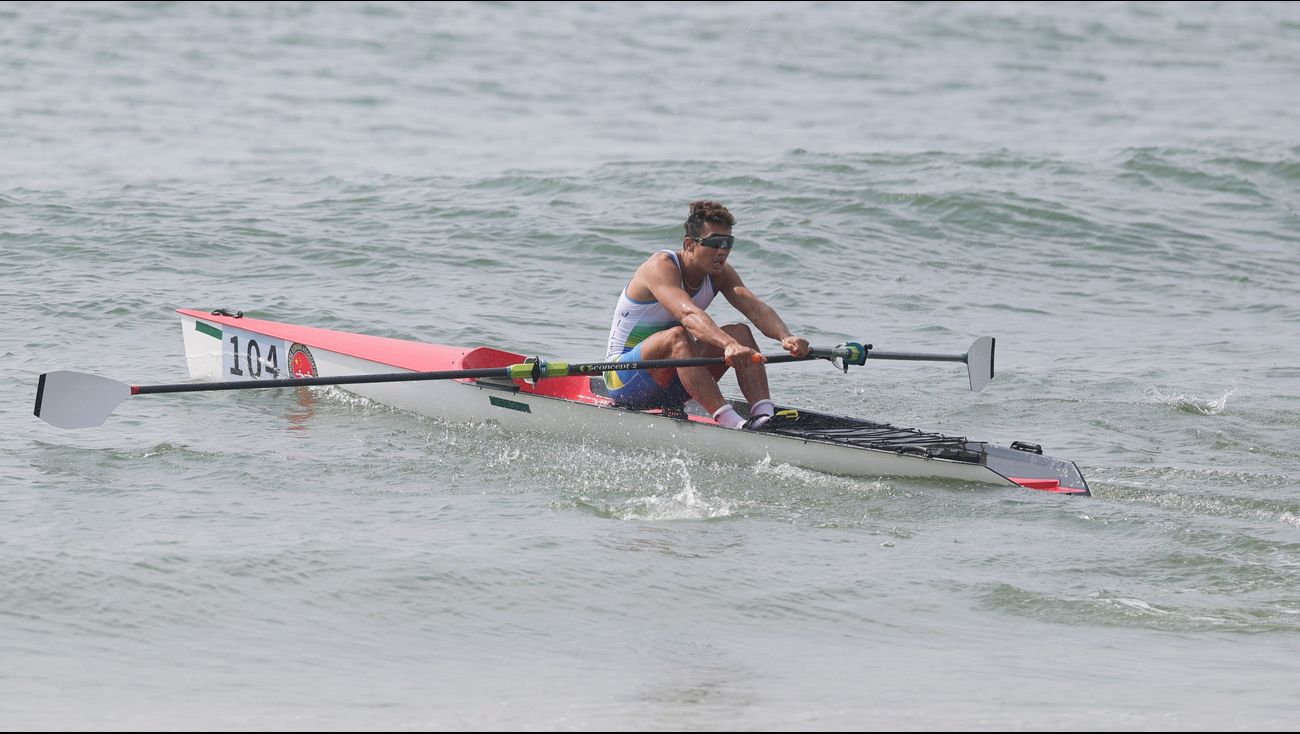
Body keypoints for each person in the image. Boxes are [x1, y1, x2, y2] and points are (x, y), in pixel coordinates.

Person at [603, 200, 810, 429]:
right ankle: (732, 424)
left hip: (677, 383)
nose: (722, 250)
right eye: (714, 242)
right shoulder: (660, 267)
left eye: (727, 242)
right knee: (678, 336)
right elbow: (689, 315)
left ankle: (764, 416)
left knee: (740, 332)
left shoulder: (720, 273)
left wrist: (785, 337)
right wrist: (728, 345)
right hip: (624, 378)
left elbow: (756, 308)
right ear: (690, 244)